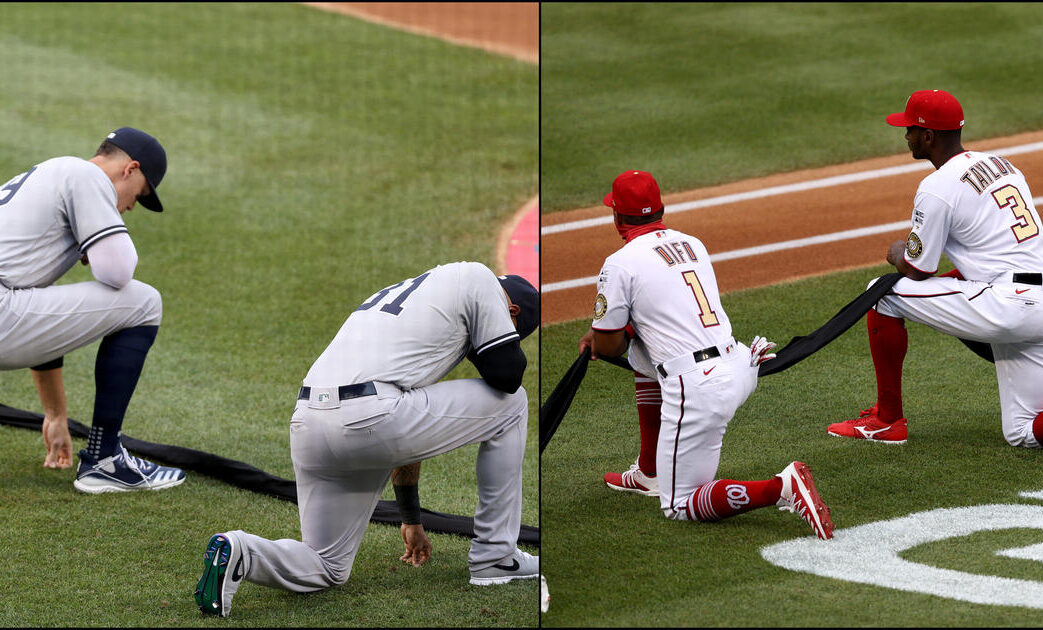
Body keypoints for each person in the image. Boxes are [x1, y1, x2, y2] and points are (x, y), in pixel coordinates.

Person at [194, 261, 540, 618]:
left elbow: (409, 424)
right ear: (510, 312)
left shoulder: (416, 303)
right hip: (370, 415)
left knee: (327, 566)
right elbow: (507, 373)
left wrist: (410, 515)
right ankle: (496, 557)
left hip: (309, 423)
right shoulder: (478, 276)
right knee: (512, 403)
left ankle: (240, 550)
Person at [581, 169, 834, 539]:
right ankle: (649, 470)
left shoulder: (619, 263)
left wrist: (607, 335)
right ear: (661, 208)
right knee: (643, 356)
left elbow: (607, 346)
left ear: (617, 217)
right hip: (741, 361)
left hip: (699, 388)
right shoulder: (692, 243)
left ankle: (782, 486)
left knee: (680, 505)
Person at [827, 89, 1043, 448]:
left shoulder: (937, 187)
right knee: (1024, 432)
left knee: (880, 294)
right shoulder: (1004, 165)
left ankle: (887, 420)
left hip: (1012, 303)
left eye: (911, 128)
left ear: (929, 136)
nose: (905, 135)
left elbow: (917, 269)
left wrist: (897, 251)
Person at [0, 127, 184, 492]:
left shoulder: (46, 176)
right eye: (140, 194)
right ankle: (105, 460)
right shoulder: (86, 176)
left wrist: (55, 415)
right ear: (129, 169)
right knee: (144, 302)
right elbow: (117, 271)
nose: (131, 207)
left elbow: (41, 313)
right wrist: (102, 242)